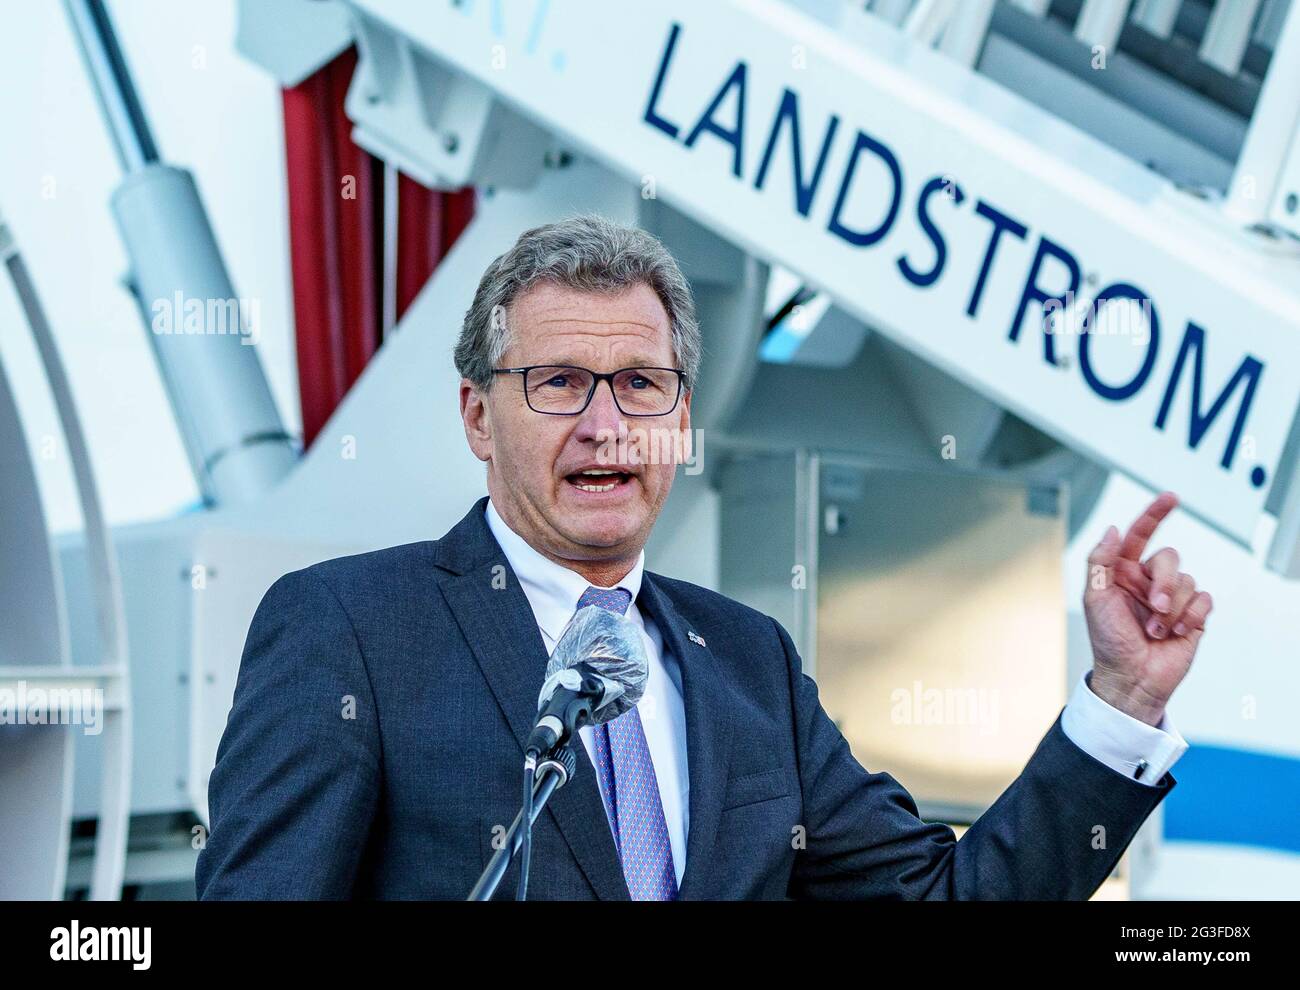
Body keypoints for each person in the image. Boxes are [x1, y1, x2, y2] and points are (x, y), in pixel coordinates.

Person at [196, 214, 1212, 900]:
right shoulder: (351, 630)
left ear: (680, 418)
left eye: (641, 385)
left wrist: (1119, 700)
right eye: (558, 382)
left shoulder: (746, 661)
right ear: (477, 416)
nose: (606, 426)